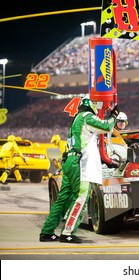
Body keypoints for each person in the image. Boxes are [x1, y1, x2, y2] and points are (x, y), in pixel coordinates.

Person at [39, 97, 119, 243]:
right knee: (81, 197)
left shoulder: (75, 121)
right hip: (80, 165)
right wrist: (114, 115)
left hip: (70, 162)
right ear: (90, 106)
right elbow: (107, 126)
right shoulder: (86, 117)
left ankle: (47, 232)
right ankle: (68, 233)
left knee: (63, 200)